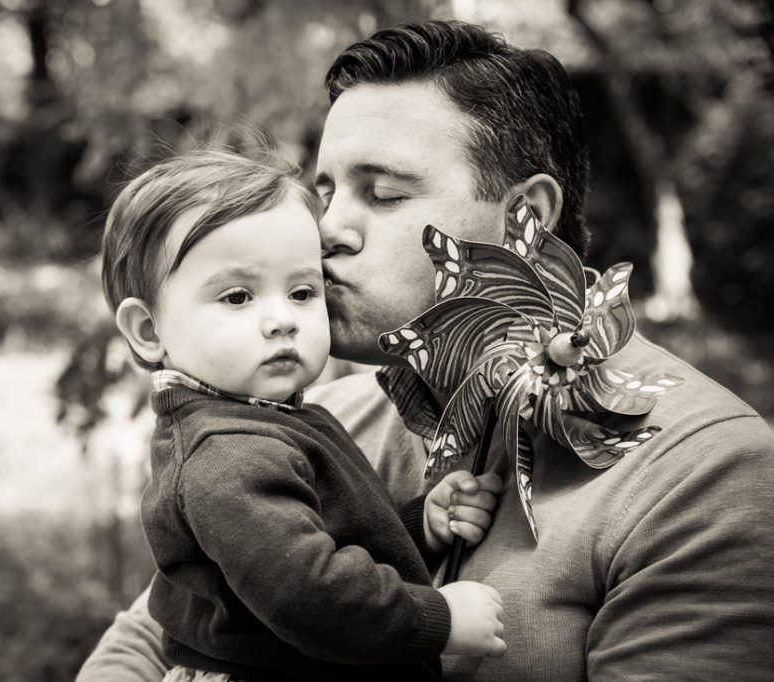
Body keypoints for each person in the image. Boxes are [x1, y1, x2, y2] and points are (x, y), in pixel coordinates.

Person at [80, 19, 774, 682]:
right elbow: (160, 631)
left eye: (380, 194)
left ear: (524, 217)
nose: (327, 234)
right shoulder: (311, 416)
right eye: (324, 195)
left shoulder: (706, 476)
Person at [100, 148, 507, 681]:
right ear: (150, 331)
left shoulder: (266, 421)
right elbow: (307, 593)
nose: (281, 321)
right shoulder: (224, 454)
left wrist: (419, 525)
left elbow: (322, 539)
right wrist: (436, 618)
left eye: (301, 291)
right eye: (238, 296)